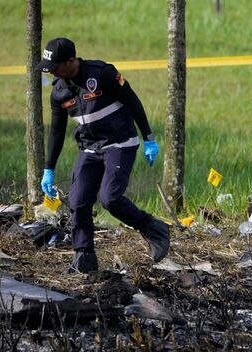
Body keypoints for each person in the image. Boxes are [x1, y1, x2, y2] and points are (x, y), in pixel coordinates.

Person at [36, 37, 170, 274]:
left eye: (55, 67)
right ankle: (84, 258)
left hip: (120, 143)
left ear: (71, 61)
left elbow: (132, 101)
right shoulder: (58, 92)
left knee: (110, 198)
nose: (53, 73)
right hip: (90, 147)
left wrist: (148, 137)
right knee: (78, 201)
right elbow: (56, 131)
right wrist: (49, 168)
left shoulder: (102, 74)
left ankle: (153, 228)